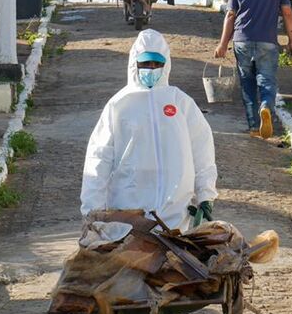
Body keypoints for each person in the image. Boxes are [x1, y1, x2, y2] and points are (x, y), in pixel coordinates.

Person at [81, 29, 217, 232]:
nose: (151, 69)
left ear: (166, 64)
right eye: (145, 63)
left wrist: (206, 194)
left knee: (172, 260)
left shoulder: (180, 102)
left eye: (157, 63)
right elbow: (99, 158)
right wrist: (92, 209)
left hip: (175, 213)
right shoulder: (119, 105)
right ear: (134, 64)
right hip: (128, 212)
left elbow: (202, 149)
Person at [213, 0, 292, 139]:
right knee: (267, 81)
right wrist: (291, 40)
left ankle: (253, 127)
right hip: (267, 41)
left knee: (247, 83)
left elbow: (230, 16)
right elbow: (288, 13)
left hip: (242, 41)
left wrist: (223, 44)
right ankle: (266, 106)